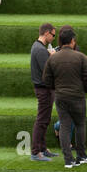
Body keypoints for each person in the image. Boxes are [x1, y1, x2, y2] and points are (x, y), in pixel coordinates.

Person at [42, 25, 87, 169]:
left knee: (65, 127)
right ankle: (81, 155)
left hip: (61, 97)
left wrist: (57, 87)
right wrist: (84, 88)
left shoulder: (53, 59)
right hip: (77, 96)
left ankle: (68, 160)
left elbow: (46, 80)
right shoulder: (80, 57)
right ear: (72, 41)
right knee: (80, 125)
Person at [28, 23, 58, 162]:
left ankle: (42, 148)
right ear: (46, 33)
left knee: (45, 120)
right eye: (53, 35)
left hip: (45, 88)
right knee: (42, 120)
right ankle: (35, 152)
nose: (53, 38)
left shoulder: (39, 47)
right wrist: (52, 57)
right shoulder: (40, 49)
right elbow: (48, 70)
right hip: (43, 89)